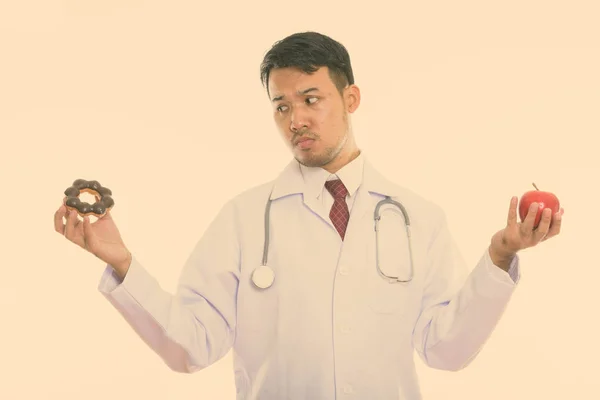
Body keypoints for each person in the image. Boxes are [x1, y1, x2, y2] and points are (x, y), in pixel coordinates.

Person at [53, 31, 564, 399]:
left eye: (310, 99)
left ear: (351, 98)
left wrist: (499, 257)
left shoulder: (418, 218)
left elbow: (446, 350)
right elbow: (191, 347)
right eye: (280, 106)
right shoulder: (244, 218)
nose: (295, 119)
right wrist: (122, 264)